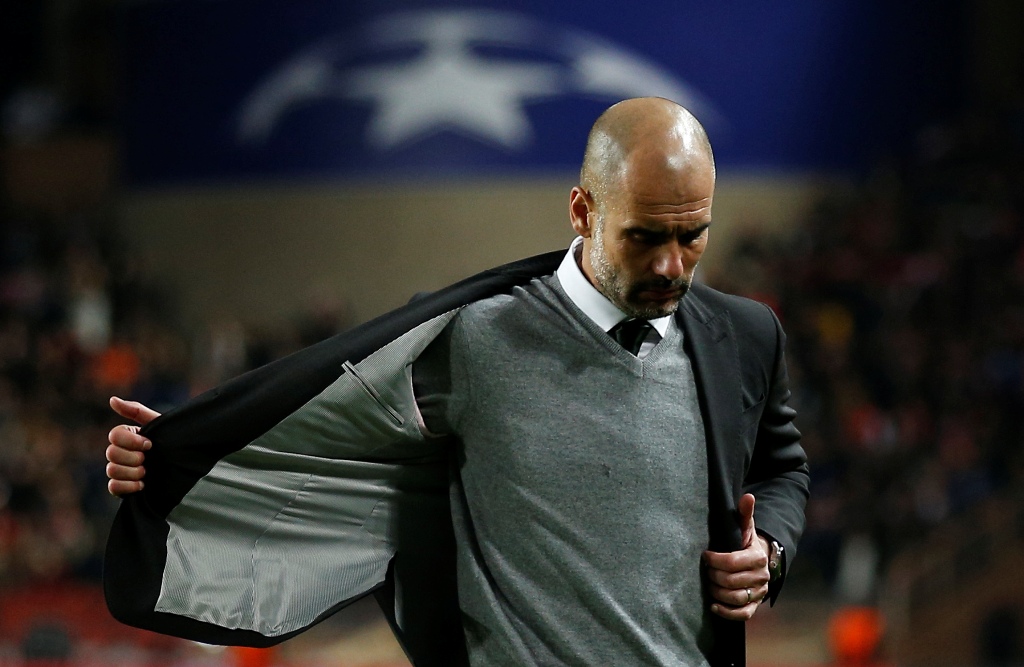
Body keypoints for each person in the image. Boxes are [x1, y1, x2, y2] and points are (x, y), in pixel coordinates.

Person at [105, 97, 809, 667]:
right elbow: (325, 425)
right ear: (583, 211)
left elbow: (781, 469)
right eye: (645, 237)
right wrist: (181, 449)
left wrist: (768, 552)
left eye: (692, 236)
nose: (670, 266)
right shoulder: (473, 338)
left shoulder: (745, 338)